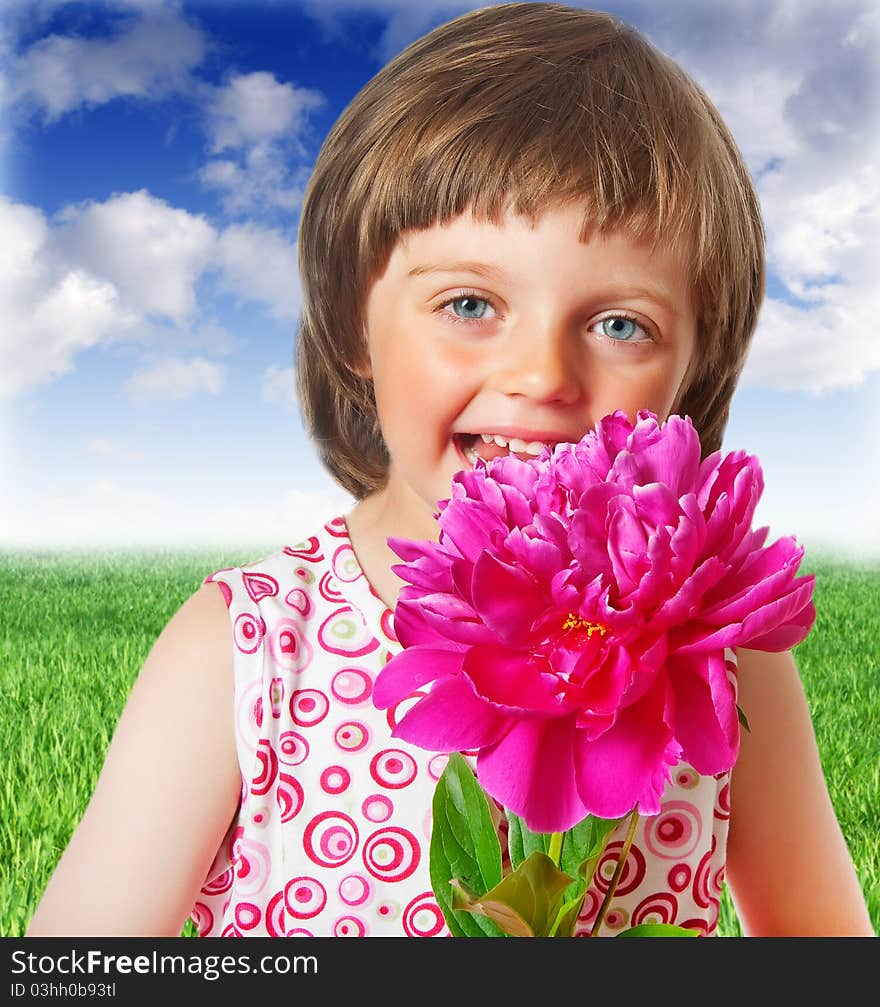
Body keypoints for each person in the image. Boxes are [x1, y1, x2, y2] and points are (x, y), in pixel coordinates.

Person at [27, 2, 874, 938]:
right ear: (353, 324)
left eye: (620, 324)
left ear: (694, 373)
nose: (544, 376)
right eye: (470, 302)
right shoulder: (246, 651)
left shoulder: (725, 658)